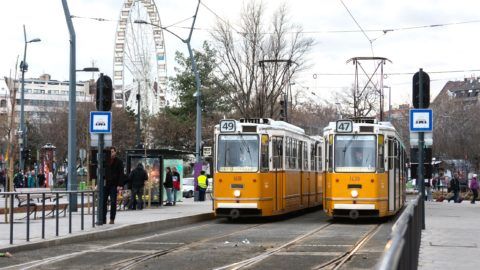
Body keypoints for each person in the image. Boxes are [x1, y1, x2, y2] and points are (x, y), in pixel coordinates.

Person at [103, 146, 124, 224]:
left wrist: (119, 185)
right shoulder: (105, 161)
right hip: (105, 184)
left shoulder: (119, 161)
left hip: (114, 184)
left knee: (113, 202)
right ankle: (103, 218)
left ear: (115, 152)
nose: (111, 153)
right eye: (110, 152)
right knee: (103, 201)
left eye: (112, 151)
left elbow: (121, 174)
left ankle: (112, 218)